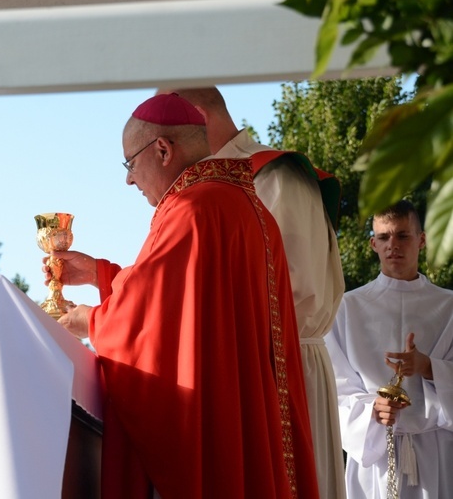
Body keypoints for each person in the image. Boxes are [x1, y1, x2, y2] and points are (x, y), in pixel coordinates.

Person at [49, 93, 319, 498]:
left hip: (209, 425)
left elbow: (151, 321)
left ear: (162, 149)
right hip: (244, 415)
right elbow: (183, 298)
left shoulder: (192, 209)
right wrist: (99, 273)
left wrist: (90, 319)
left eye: (129, 163)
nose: (128, 179)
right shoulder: (246, 207)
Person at [159, 86, 347, 499]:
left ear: (195, 121)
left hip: (284, 369)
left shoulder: (272, 174)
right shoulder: (218, 184)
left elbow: (294, 292)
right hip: (256, 368)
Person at [325, 200, 453, 499]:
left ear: (421, 240)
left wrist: (428, 367)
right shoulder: (346, 308)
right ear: (372, 243)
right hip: (376, 457)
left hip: (437, 451)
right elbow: (335, 388)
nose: (392, 245)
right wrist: (371, 410)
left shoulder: (449, 307)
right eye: (383, 237)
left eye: (402, 235)